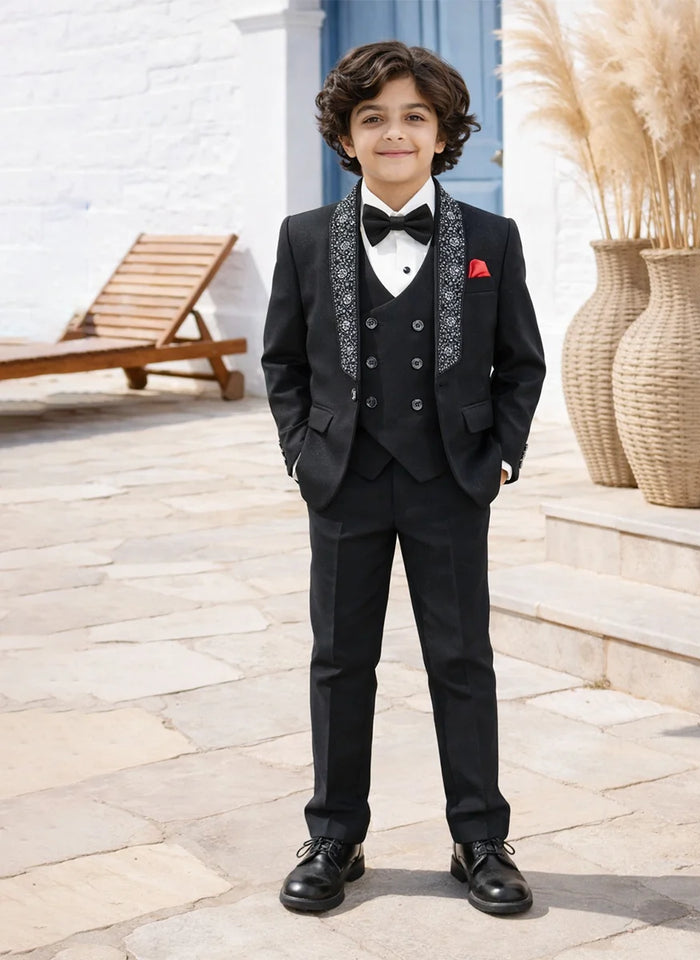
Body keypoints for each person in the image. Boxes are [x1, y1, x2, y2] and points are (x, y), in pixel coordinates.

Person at [262, 40, 545, 916]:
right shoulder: (306, 238)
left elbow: (521, 363)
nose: (394, 132)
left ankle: (480, 838)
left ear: (442, 133)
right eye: (373, 118)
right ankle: (334, 835)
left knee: (461, 659)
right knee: (340, 661)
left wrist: (498, 452)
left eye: (414, 117)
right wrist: (303, 453)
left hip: (450, 482)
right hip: (342, 478)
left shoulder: (490, 239)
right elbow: (282, 364)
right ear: (345, 137)